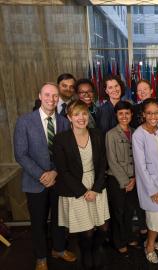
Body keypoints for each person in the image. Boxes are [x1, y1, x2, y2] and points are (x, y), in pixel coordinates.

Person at [14, 83, 75, 270]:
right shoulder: (24, 121)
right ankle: (41, 257)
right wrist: (42, 175)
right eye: (47, 95)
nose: (51, 99)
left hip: (58, 180)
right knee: (38, 222)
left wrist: (55, 172)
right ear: (40, 95)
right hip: (35, 182)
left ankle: (59, 249)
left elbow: (67, 153)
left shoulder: (65, 122)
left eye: (55, 96)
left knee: (59, 218)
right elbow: (21, 154)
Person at [53, 100, 110, 270]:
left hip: (96, 184)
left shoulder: (97, 134)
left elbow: (102, 164)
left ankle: (96, 248)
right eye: (76, 114)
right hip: (75, 188)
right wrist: (84, 192)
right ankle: (86, 253)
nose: (81, 117)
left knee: (103, 227)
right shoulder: (61, 139)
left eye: (84, 113)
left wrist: (95, 189)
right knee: (87, 230)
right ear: (69, 117)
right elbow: (63, 171)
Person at [132, 98, 158, 264]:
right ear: (143, 114)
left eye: (156, 112)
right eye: (149, 113)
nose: (153, 116)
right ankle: (149, 247)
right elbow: (141, 167)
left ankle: (152, 241)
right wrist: (152, 190)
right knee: (154, 218)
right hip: (151, 185)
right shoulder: (138, 135)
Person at [105, 101, 139, 256]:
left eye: (127, 113)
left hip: (134, 179)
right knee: (118, 212)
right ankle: (118, 241)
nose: (124, 116)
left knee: (128, 211)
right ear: (116, 116)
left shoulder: (136, 131)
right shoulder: (111, 134)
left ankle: (128, 237)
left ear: (131, 114)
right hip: (117, 180)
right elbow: (112, 161)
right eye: (120, 113)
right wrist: (126, 181)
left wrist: (134, 179)